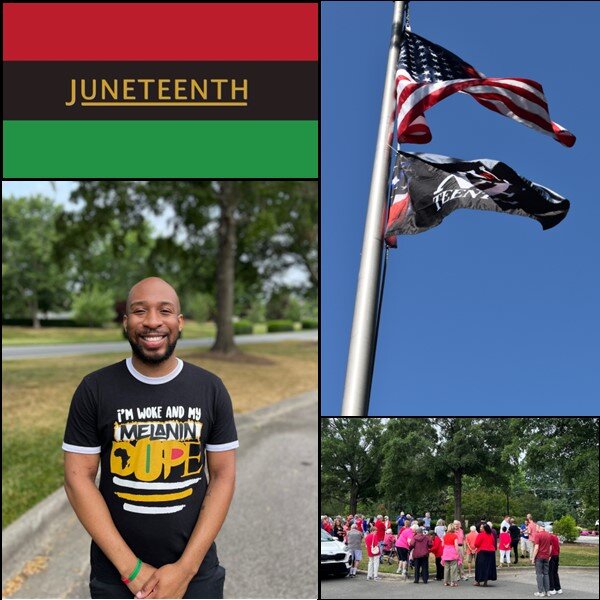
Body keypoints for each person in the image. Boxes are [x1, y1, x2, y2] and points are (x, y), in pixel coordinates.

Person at [63, 277, 238, 599]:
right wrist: (131, 570)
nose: (153, 321)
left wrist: (185, 570)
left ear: (180, 322)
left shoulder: (210, 389)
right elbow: (78, 480)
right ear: (126, 321)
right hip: (116, 576)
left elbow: (223, 476)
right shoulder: (94, 389)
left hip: (196, 573)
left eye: (165, 311)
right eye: (140, 311)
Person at [531, 522, 552, 598]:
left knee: (539, 574)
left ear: (539, 526)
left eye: (536, 526)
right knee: (546, 574)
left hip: (539, 557)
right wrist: (549, 555)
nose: (536, 527)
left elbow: (536, 548)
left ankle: (541, 592)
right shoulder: (549, 535)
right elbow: (550, 548)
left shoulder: (538, 535)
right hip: (546, 557)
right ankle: (547, 591)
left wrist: (533, 558)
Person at [442, 522, 460, 587]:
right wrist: (457, 553)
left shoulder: (445, 536)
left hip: (446, 552)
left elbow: (442, 544)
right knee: (453, 568)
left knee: (446, 568)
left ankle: (446, 581)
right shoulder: (455, 536)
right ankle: (453, 582)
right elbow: (456, 545)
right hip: (452, 552)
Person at [548, 530, 562, 595]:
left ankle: (552, 588)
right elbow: (558, 547)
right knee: (555, 572)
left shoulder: (549, 537)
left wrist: (549, 556)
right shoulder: (555, 537)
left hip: (552, 555)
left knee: (550, 572)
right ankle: (558, 588)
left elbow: (550, 547)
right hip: (556, 555)